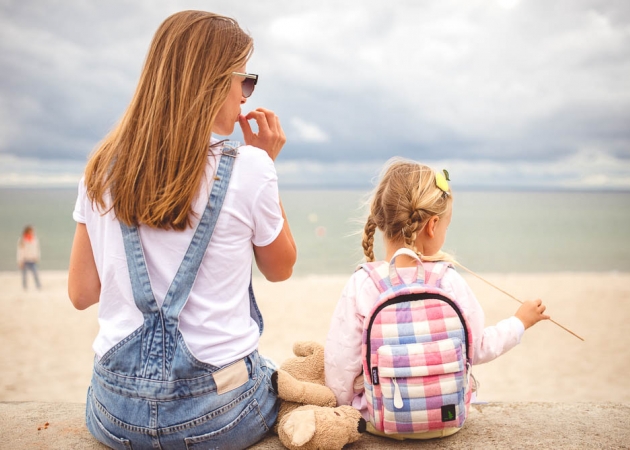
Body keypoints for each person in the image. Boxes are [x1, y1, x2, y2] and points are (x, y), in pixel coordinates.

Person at [68, 10, 296, 450]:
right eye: (243, 81)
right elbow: (281, 268)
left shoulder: (101, 170)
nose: (245, 98)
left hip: (115, 414)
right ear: (213, 83)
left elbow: (81, 292)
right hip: (217, 415)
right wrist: (266, 162)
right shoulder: (249, 168)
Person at [324, 158, 549, 423]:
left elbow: (341, 363)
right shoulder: (448, 281)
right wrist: (519, 322)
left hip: (379, 418)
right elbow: (477, 349)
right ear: (432, 225)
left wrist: (346, 407)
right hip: (447, 417)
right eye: (446, 225)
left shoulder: (364, 283)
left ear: (380, 216)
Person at [17, 225, 41, 290]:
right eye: (31, 230)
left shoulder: (34, 239)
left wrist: (37, 256)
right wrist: (20, 261)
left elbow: (37, 249)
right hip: (25, 260)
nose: (32, 232)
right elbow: (20, 251)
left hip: (32, 260)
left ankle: (38, 286)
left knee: (35, 273)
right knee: (24, 275)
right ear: (27, 231)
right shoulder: (22, 240)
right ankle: (25, 287)